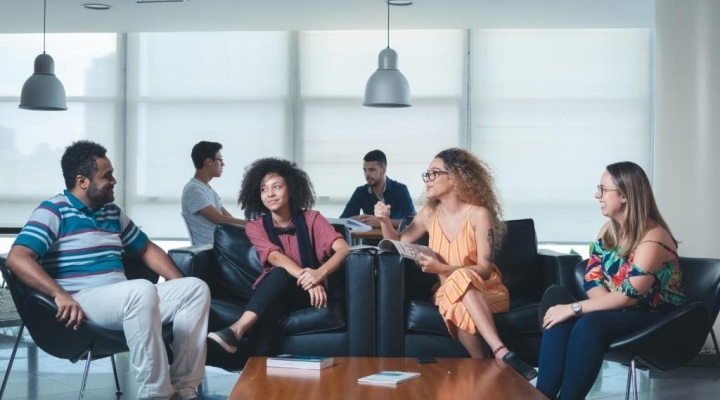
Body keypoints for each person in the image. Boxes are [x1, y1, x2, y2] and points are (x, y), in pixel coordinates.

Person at [5, 140, 211, 400]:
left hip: (124, 300)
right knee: (140, 290)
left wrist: (178, 285)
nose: (114, 181)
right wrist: (59, 294)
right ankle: (155, 394)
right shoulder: (53, 211)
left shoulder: (112, 212)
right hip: (83, 302)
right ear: (82, 181)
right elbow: (17, 258)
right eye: (107, 175)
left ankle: (184, 390)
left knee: (195, 288)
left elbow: (146, 248)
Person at [374, 147, 537, 380]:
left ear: (456, 177)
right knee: (455, 293)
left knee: (459, 290)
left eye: (434, 174)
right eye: (426, 174)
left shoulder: (479, 214)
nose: (427, 180)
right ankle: (501, 354)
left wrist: (441, 269)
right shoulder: (429, 214)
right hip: (444, 291)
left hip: (488, 290)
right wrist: (384, 221)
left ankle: (487, 365)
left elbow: (484, 269)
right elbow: (397, 242)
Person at [536, 161, 685, 399]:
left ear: (625, 196)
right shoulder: (608, 230)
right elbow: (592, 280)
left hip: (656, 319)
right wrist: (602, 308)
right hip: (621, 313)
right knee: (557, 302)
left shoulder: (654, 237)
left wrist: (579, 309)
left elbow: (628, 297)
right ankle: (542, 395)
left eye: (603, 190)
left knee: (587, 323)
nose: (597, 195)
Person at [207, 158, 349, 354]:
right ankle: (256, 377)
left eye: (277, 187)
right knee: (273, 293)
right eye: (264, 189)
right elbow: (274, 257)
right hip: (275, 291)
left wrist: (318, 275)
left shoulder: (312, 219)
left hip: (307, 295)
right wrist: (307, 277)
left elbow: (343, 249)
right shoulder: (255, 227)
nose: (270, 194)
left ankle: (235, 332)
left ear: (290, 189)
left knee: (277, 280)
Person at [181, 141, 245, 245]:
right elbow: (218, 219)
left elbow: (229, 219)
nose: (223, 164)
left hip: (222, 246)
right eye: (220, 160)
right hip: (211, 250)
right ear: (209, 161)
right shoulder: (193, 189)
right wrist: (253, 226)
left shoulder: (208, 189)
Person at [340, 149, 415, 228]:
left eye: (372, 170)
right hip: (369, 239)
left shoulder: (400, 189)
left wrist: (382, 222)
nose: (367, 174)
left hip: (394, 239)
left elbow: (412, 222)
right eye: (365, 170)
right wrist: (355, 220)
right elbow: (342, 221)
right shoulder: (360, 191)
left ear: (383, 169)